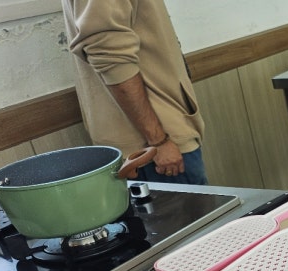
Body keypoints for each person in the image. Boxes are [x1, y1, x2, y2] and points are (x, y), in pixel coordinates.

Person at [61, 0, 208, 185]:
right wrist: (158, 142)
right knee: (190, 213)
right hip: (154, 146)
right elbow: (111, 57)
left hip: (158, 138)